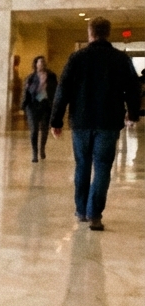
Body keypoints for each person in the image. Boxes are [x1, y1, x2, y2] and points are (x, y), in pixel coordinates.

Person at [50, 17, 140, 231]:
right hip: (108, 122)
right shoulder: (120, 59)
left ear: (90, 33)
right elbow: (133, 88)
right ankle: (95, 214)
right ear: (107, 34)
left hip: (81, 121)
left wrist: (56, 119)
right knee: (102, 167)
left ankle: (81, 210)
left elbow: (63, 89)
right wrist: (133, 114)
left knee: (82, 165)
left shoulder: (77, 58)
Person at [20, 55, 57, 162]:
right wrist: (23, 104)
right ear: (36, 64)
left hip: (46, 105)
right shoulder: (30, 78)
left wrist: (56, 104)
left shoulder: (51, 76)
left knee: (44, 129)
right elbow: (25, 92)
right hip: (32, 106)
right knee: (34, 130)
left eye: (43, 62)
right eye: (39, 62)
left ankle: (42, 149)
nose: (41, 64)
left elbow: (56, 90)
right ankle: (34, 153)